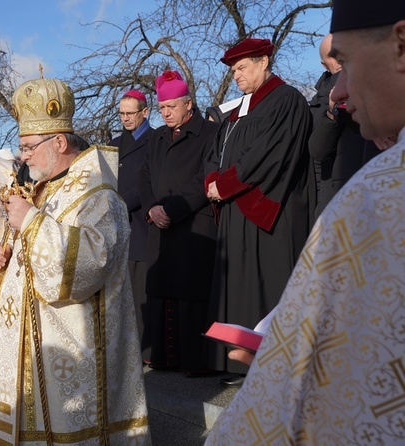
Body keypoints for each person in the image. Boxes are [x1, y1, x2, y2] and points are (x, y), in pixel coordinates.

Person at [206, 2, 405, 443]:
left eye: (345, 65)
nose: (335, 92)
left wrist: (288, 362)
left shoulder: (379, 193)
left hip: (264, 208)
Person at [0, 77, 150, 445]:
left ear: (59, 142)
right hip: (31, 350)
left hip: (76, 357)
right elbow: (28, 258)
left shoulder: (98, 196)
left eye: (28, 147)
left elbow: (83, 270)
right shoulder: (40, 191)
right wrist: (3, 259)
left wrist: (29, 220)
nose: (23, 156)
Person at [204, 38, 315, 385]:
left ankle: (270, 361)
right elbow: (214, 152)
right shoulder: (237, 111)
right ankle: (236, 361)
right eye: (234, 70)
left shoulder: (287, 101)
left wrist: (226, 185)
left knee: (267, 285)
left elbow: (269, 154)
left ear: (264, 61)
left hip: (269, 211)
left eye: (242, 68)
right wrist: (211, 180)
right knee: (238, 284)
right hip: (236, 210)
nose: (236, 75)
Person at [139, 71, 219, 372]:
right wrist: (151, 209)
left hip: (191, 225)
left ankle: (194, 362)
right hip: (159, 226)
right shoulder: (156, 137)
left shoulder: (209, 133)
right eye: (162, 108)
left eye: (172, 106)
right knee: (162, 292)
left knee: (190, 293)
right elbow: (144, 177)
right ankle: (164, 358)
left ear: (188, 104)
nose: (166, 113)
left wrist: (170, 209)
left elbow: (204, 177)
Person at [308, 34, 380, 218]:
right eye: (333, 56)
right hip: (337, 198)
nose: (340, 60)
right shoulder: (319, 101)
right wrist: (331, 113)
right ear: (324, 65)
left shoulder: (376, 80)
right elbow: (317, 150)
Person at [108, 89, 153, 362]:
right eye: (121, 114)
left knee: (140, 290)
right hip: (115, 226)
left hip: (139, 223)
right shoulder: (114, 143)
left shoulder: (154, 139)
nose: (125, 119)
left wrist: (121, 203)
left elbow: (148, 182)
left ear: (144, 112)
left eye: (130, 113)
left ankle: (144, 350)